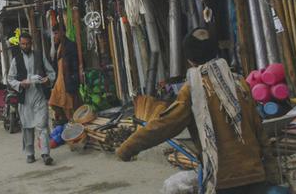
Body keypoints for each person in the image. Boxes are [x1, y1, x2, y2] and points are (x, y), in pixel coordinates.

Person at [116, 28, 280, 193]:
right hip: (255, 173)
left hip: (225, 179)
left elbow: (164, 125)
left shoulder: (193, 90)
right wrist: (271, 168)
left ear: (190, 60)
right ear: (215, 52)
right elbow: (259, 129)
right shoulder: (239, 82)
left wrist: (127, 148)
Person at [6, 31, 56, 165]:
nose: (25, 46)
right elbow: (10, 79)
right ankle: (30, 153)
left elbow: (51, 73)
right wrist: (21, 84)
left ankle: (45, 154)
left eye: (28, 44)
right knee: (27, 127)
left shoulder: (39, 56)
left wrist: (47, 80)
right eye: (23, 44)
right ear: (20, 45)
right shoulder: (16, 60)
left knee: (42, 125)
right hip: (25, 97)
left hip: (39, 95)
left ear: (31, 43)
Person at [49, 23, 81, 122]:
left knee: (69, 106)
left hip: (68, 80)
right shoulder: (58, 46)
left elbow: (75, 64)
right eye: (54, 34)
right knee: (54, 103)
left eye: (56, 33)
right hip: (60, 80)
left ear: (62, 33)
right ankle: (66, 121)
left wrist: (73, 78)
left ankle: (71, 123)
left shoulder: (70, 45)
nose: (55, 36)